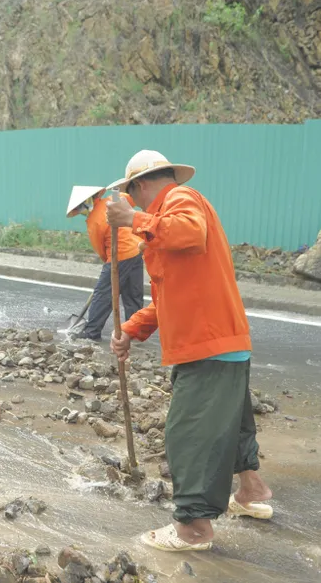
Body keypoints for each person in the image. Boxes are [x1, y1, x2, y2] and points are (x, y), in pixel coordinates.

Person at [104, 149, 274, 552]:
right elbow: (167, 297)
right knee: (230, 424)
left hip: (206, 346)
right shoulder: (160, 224)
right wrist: (130, 330)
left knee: (190, 434)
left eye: (132, 195)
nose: (133, 202)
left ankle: (193, 529)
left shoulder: (181, 200)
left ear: (140, 185)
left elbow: (190, 231)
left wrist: (133, 220)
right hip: (219, 342)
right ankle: (252, 492)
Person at [65, 186, 144, 340]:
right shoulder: (112, 201)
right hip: (136, 250)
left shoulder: (94, 222)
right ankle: (135, 332)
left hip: (119, 255)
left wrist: (108, 267)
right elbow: (130, 198)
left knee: (103, 294)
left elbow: (100, 248)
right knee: (132, 294)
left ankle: (92, 332)